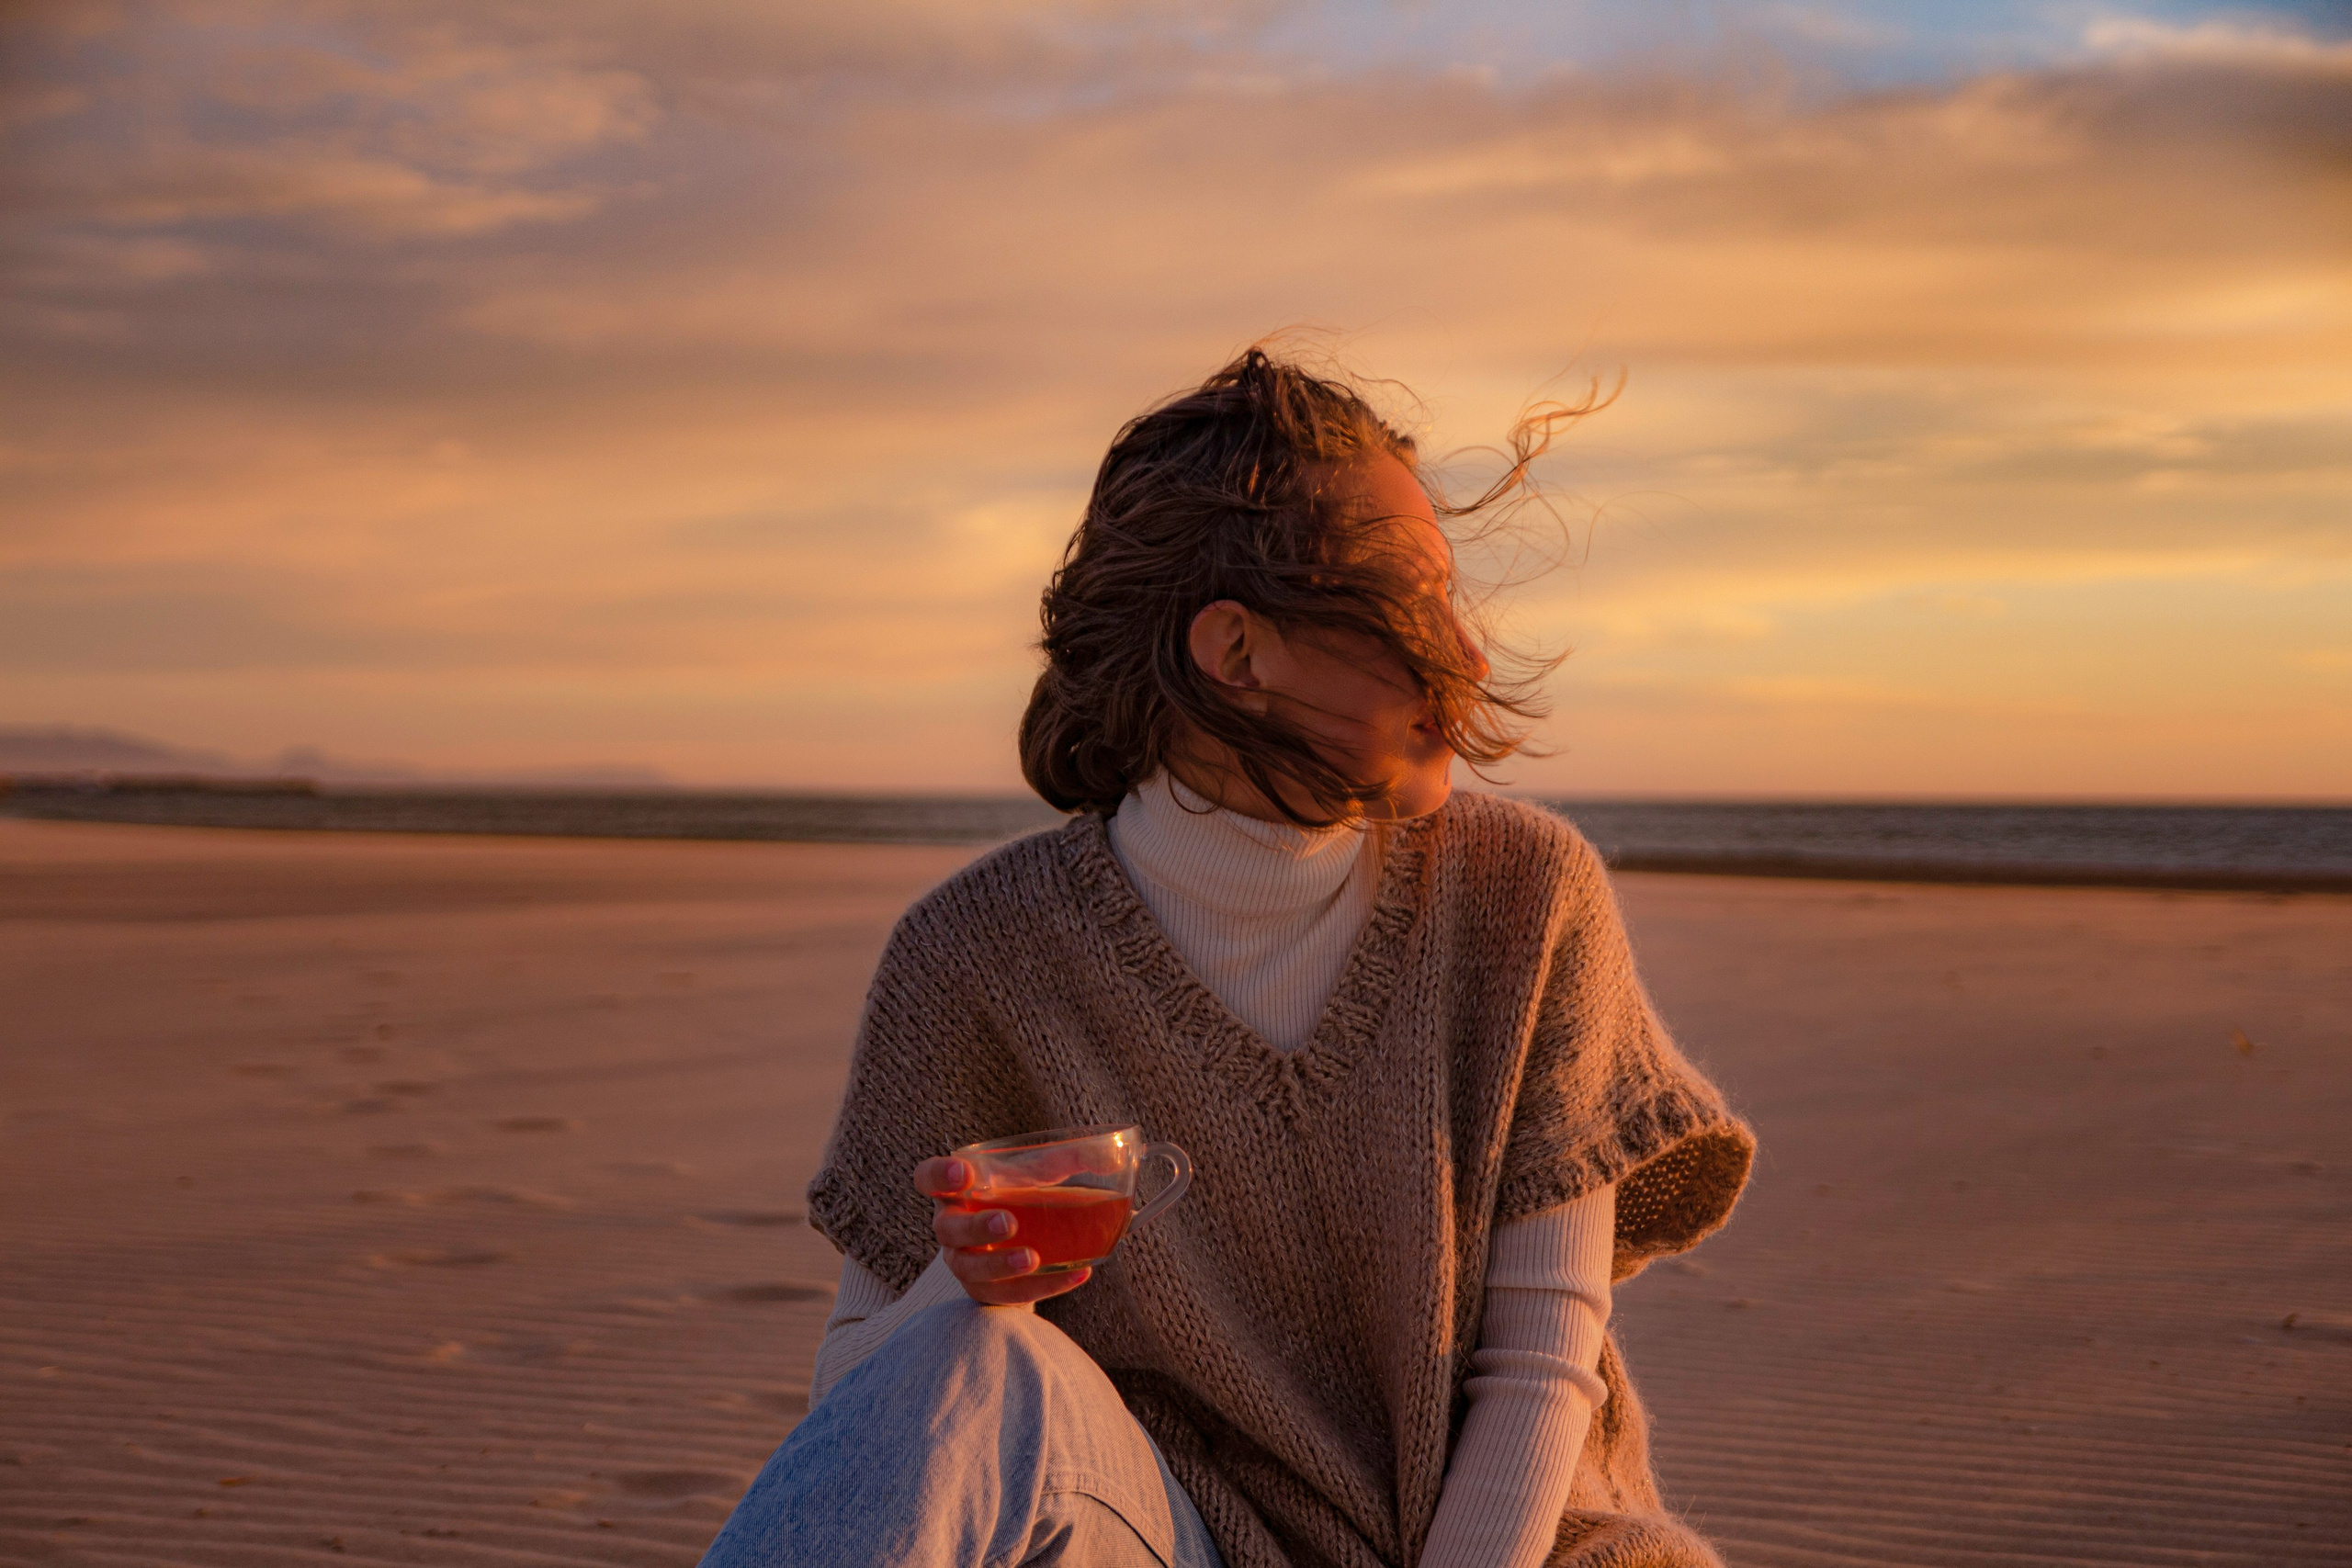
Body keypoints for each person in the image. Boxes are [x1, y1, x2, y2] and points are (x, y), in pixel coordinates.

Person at [697, 348, 1754, 1568]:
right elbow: (872, 1402)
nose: (1466, 656)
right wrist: (967, 1286)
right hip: (1177, 1541)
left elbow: (1540, 1366)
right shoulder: (978, 957)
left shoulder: (1524, 899)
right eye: (1416, 602)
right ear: (1237, 654)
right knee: (964, 1359)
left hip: (1517, 1551)